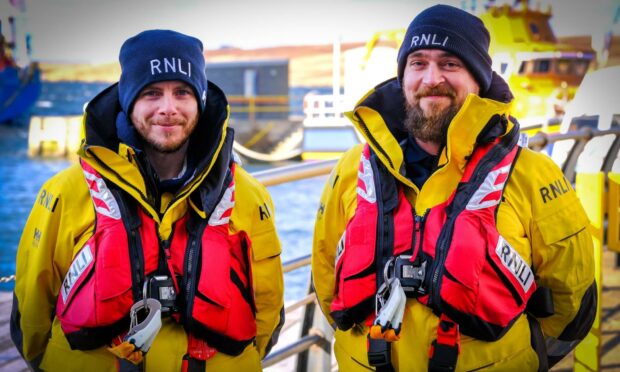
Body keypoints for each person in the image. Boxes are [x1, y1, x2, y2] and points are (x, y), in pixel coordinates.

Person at [312, 5, 596, 371]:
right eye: (418, 62)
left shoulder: (533, 175)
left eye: (450, 64)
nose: (431, 78)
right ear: (403, 76)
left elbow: (571, 299)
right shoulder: (352, 169)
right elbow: (325, 278)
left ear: (478, 79)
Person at [11, 29, 284, 371]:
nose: (168, 108)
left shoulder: (248, 195)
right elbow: (31, 309)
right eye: (152, 93)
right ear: (128, 100)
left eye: (182, 92)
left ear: (199, 99)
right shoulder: (65, 192)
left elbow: (268, 306)